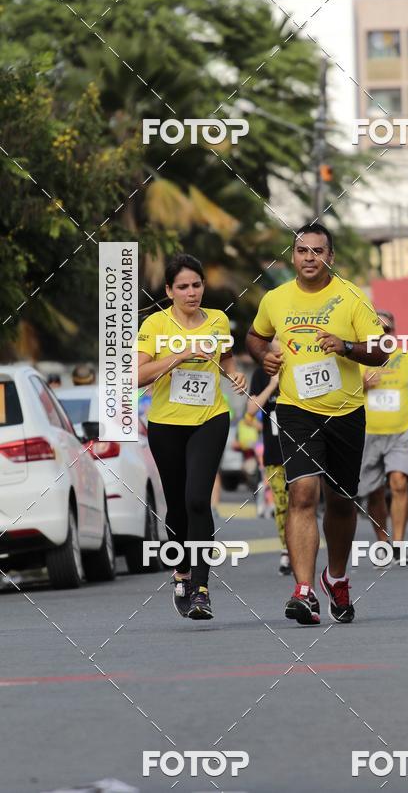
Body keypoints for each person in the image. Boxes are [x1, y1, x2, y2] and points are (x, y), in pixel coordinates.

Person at [246, 223, 386, 625]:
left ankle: (336, 578)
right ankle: (303, 591)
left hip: (344, 412)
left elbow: (381, 350)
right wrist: (263, 357)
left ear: (331, 256)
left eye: (318, 251)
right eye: (303, 251)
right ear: (293, 256)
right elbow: (255, 337)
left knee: (341, 501)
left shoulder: (350, 297)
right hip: (295, 409)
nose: (310, 258)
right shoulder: (276, 299)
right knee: (303, 493)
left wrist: (345, 347)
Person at [136, 253, 247, 620]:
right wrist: (180, 355)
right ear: (169, 290)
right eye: (182, 286)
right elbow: (137, 375)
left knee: (198, 499)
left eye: (196, 285)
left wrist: (234, 375)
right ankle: (181, 571)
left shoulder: (217, 320)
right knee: (178, 506)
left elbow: (227, 357)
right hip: (166, 423)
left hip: (210, 418)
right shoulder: (155, 324)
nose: (191, 292)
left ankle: (201, 587)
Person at [358, 310, 408, 565]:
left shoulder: (407, 358)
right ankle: (382, 542)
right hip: (368, 433)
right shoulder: (359, 359)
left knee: (399, 483)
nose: (382, 335)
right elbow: (345, 390)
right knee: (374, 491)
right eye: (378, 330)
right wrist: (362, 385)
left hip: (400, 431)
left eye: (387, 330)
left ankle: (398, 544)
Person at [247, 340, 291, 574]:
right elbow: (251, 409)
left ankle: (300, 548)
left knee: (301, 501)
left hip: (301, 449)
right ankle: (287, 550)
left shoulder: (296, 368)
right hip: (274, 451)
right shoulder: (260, 374)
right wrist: (272, 385)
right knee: (281, 504)